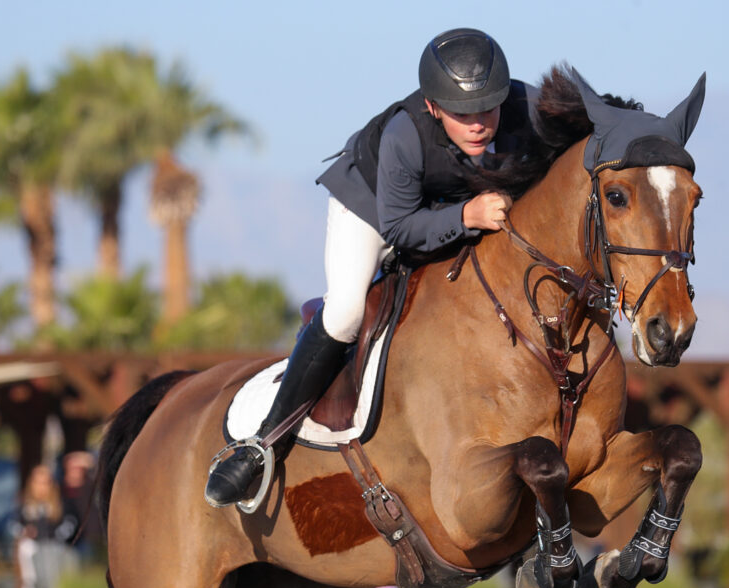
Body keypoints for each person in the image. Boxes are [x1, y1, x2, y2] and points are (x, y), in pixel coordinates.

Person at [205, 28, 538, 507]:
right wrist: (466, 216)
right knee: (344, 312)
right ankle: (262, 444)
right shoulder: (406, 135)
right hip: (373, 212)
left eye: (488, 107)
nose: (478, 123)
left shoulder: (524, 108)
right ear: (433, 107)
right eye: (462, 113)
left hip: (450, 208)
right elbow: (401, 228)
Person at [9, 465, 78, 588]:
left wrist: (57, 536)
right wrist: (25, 532)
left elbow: (71, 524)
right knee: (25, 549)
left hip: (54, 550)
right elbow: (12, 525)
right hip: (32, 550)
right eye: (37, 482)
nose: (41, 487)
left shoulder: (61, 504)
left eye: (45, 482)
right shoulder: (24, 505)